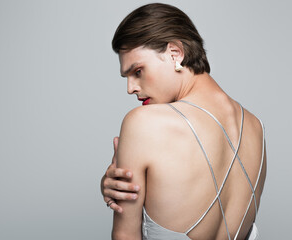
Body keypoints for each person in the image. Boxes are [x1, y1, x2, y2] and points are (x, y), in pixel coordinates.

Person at [100, 3, 266, 240]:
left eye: (137, 71)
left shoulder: (143, 123)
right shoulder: (255, 126)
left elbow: (125, 235)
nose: (130, 88)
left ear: (175, 54)